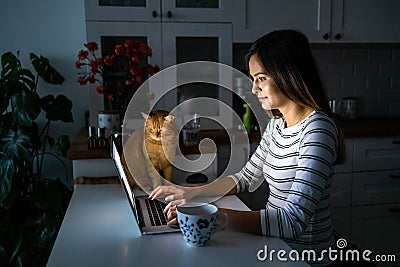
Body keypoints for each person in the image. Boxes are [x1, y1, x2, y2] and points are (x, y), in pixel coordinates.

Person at [150, 29, 346, 266]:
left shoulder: (317, 131)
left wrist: (212, 216)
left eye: (261, 78)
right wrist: (192, 193)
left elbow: (292, 222)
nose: (254, 89)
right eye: (253, 79)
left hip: (303, 258)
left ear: (288, 75)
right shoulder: (278, 123)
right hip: (275, 246)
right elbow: (247, 178)